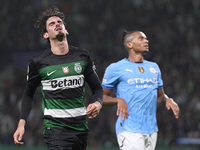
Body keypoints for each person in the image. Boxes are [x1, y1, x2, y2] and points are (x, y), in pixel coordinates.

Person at [13, 6, 103, 150]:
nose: (57, 24)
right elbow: (29, 93)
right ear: (45, 35)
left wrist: (98, 103)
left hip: (81, 129)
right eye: (52, 24)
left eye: (59, 22)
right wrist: (21, 124)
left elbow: (97, 88)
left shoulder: (82, 56)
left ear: (66, 30)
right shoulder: (38, 62)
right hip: (55, 131)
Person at [102, 30, 180, 150]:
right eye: (141, 38)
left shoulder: (154, 67)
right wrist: (118, 100)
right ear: (129, 44)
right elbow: (100, 98)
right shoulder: (116, 68)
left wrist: (167, 99)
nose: (146, 41)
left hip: (151, 129)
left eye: (146, 38)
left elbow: (160, 96)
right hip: (129, 129)